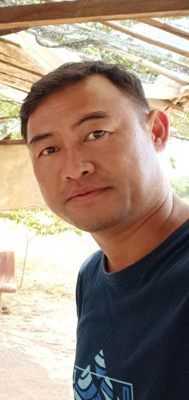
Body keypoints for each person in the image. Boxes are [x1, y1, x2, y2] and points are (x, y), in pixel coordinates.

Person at [20, 61, 189, 399]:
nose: (75, 168)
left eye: (96, 134)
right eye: (49, 149)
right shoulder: (93, 276)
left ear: (156, 132)